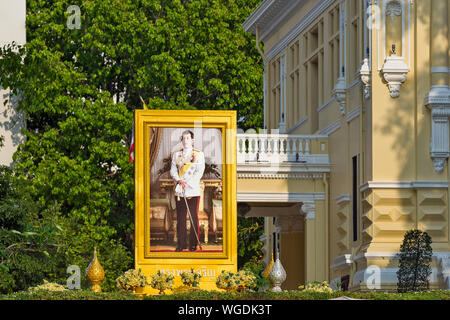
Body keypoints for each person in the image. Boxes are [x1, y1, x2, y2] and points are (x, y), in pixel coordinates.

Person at [170, 130, 205, 252]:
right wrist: (179, 180)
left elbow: (199, 171)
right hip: (180, 190)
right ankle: (181, 244)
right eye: (184, 138)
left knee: (193, 217)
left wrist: (188, 184)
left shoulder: (199, 154)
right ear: (181, 140)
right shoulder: (176, 155)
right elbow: (173, 171)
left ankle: (193, 244)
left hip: (193, 190)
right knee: (180, 218)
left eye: (188, 138)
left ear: (193, 140)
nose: (186, 141)